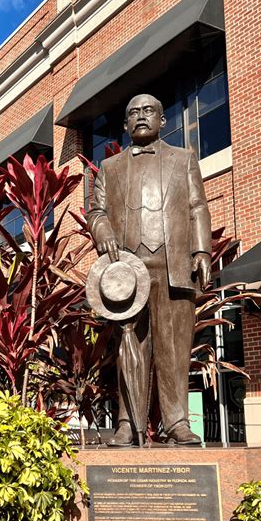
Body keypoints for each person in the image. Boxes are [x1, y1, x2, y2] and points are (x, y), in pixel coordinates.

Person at [87, 94, 211, 446]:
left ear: (162, 120)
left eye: (148, 111)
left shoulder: (183, 158)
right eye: (133, 113)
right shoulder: (109, 169)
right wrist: (105, 232)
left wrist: (201, 250)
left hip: (174, 268)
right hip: (128, 275)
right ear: (125, 125)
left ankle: (177, 423)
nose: (141, 117)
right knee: (130, 351)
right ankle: (127, 423)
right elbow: (96, 213)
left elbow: (197, 206)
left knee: (174, 351)